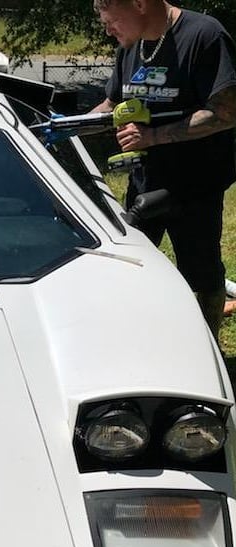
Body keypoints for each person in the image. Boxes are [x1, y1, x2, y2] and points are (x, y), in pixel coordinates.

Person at [92, 0, 236, 341]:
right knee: (130, 267)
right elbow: (111, 105)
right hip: (143, 184)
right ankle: (142, 340)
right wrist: (52, 125)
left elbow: (226, 112)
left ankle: (208, 346)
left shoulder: (204, 35)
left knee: (202, 276)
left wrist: (153, 136)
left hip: (195, 186)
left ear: (140, 4)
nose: (108, 30)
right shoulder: (131, 45)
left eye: (112, 20)